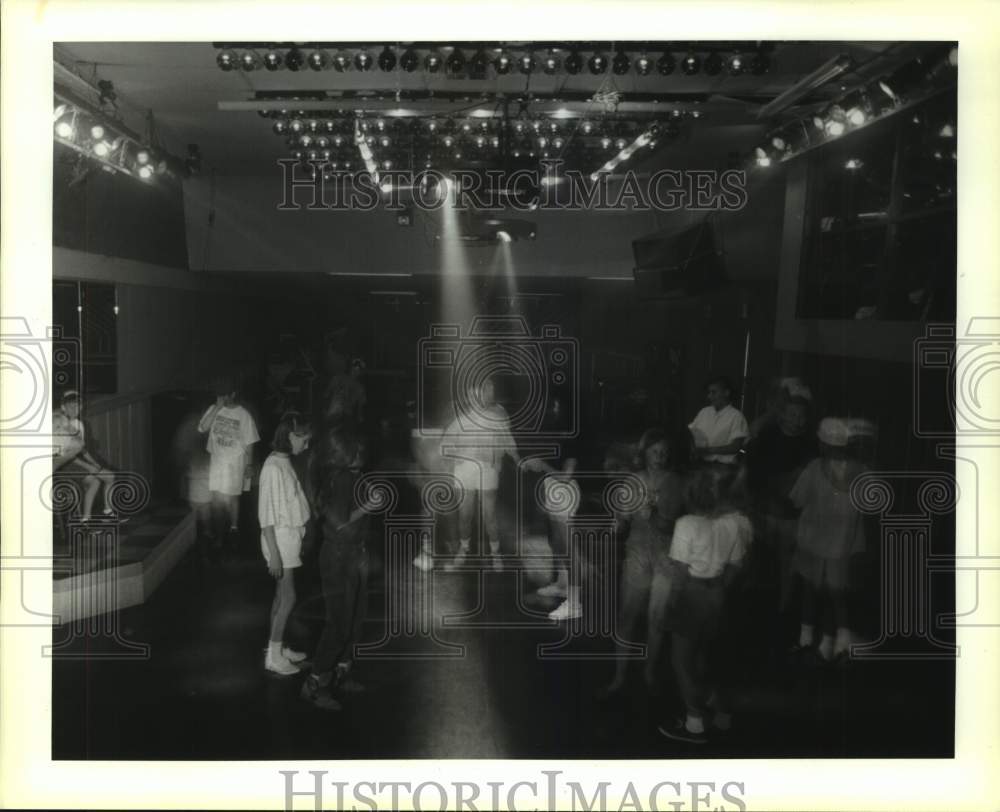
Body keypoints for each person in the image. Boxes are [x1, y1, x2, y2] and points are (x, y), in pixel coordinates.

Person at [658, 463, 753, 745]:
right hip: (717, 596)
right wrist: (719, 586)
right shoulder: (732, 524)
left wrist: (671, 602)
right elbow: (737, 565)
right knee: (707, 657)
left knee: (682, 662)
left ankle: (694, 723)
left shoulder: (686, 524)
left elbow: (678, 572)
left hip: (691, 596)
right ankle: (721, 712)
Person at [602, 428, 687, 696]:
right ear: (645, 453)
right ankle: (619, 676)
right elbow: (623, 519)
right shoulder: (632, 481)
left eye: (664, 452)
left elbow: (668, 522)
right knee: (626, 616)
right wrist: (617, 520)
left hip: (665, 555)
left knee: (656, 619)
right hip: (637, 552)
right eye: (654, 452)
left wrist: (649, 513)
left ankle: (649, 671)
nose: (660, 457)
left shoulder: (675, 482)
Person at [300, 425, 375, 711]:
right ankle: (314, 683)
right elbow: (341, 524)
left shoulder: (350, 476)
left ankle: (340, 674)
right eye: (356, 449)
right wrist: (368, 506)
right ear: (344, 454)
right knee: (339, 624)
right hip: (339, 556)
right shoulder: (342, 478)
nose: (362, 452)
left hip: (353, 554)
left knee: (354, 618)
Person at [788, 417, 869, 662]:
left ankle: (809, 642)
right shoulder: (862, 471)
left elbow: (796, 500)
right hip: (841, 544)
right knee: (836, 594)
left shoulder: (814, 468)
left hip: (816, 542)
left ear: (823, 444)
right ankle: (833, 645)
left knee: (813, 592)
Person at [441, 377, 536, 572]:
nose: (487, 394)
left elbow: (508, 440)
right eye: (484, 390)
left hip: (488, 468)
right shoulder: (460, 413)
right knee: (465, 514)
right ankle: (464, 550)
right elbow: (445, 442)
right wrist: (455, 457)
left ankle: (495, 554)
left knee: (489, 515)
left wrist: (518, 459)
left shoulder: (499, 413)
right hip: (465, 469)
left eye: (490, 389)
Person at [743, 393, 818, 619]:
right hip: (762, 512)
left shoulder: (810, 446)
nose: (796, 419)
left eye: (800, 415)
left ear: (806, 419)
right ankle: (749, 607)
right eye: (791, 414)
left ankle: (783, 611)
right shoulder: (766, 437)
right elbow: (751, 473)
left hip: (791, 517)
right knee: (755, 561)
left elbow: (809, 484)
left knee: (788, 565)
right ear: (782, 415)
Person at [258, 411, 312, 676]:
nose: (306, 444)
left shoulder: (282, 461)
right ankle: (274, 657)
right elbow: (265, 517)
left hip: (288, 537)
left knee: (281, 597)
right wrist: (276, 555)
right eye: (304, 438)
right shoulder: (272, 468)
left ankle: (276, 649)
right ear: (290, 436)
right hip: (279, 538)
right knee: (289, 596)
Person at [197, 377, 260, 549]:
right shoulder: (214, 409)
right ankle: (219, 534)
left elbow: (250, 441)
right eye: (219, 395)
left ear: (233, 394)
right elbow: (202, 428)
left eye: (225, 395)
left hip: (235, 463)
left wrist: (249, 465)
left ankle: (234, 529)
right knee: (217, 499)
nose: (222, 398)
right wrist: (216, 408)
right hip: (217, 462)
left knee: (232, 498)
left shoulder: (244, 415)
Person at [52, 390, 121, 522]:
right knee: (109, 476)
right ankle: (103, 513)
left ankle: (88, 518)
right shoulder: (58, 423)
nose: (75, 408)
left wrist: (94, 463)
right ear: (63, 407)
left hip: (74, 460)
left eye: (77, 405)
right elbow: (64, 454)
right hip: (63, 465)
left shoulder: (78, 423)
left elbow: (81, 449)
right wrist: (88, 466)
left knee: (97, 480)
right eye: (70, 405)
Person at [688, 377, 749, 464]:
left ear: (726, 393)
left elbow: (736, 446)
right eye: (709, 393)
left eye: (714, 392)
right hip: (700, 463)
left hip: (723, 466)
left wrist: (708, 450)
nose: (709, 396)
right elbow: (690, 432)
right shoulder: (704, 412)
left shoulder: (736, 416)